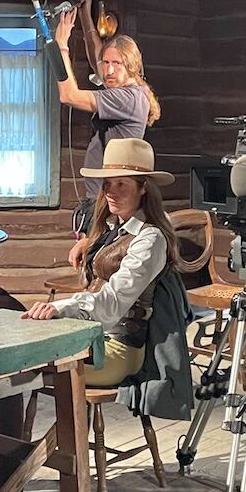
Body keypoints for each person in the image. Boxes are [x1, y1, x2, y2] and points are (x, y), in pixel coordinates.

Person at [22, 138, 181, 387]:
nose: (111, 191)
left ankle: (64, 425)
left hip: (118, 347)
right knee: (24, 352)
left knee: (32, 368)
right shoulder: (113, 228)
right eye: (107, 183)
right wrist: (89, 243)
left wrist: (62, 308)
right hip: (91, 334)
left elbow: (114, 302)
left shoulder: (150, 239)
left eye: (121, 184)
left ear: (144, 188)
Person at [54, 5, 161, 271]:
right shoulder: (130, 90)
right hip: (102, 198)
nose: (109, 70)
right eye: (107, 63)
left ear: (132, 67)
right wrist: (87, 16)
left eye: (118, 64)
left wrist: (60, 47)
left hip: (109, 199)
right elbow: (96, 56)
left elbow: (68, 95)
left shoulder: (127, 97)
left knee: (100, 272)